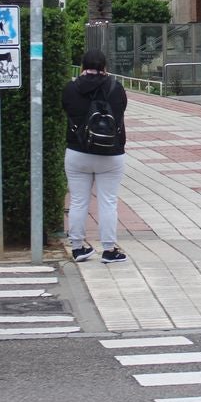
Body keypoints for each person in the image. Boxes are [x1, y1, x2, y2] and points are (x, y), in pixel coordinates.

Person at [61, 49, 129, 264]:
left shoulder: (70, 89)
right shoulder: (116, 88)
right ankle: (109, 250)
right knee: (108, 202)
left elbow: (67, 111)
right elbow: (119, 113)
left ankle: (78, 248)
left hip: (78, 152)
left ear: (82, 66)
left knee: (79, 201)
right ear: (105, 67)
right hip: (110, 153)